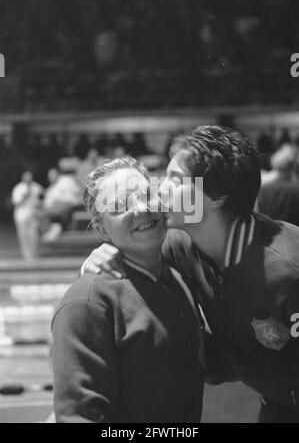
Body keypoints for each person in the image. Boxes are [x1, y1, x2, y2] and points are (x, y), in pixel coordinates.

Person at [83, 126, 299, 423]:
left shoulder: (288, 268)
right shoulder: (179, 244)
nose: (160, 189)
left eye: (176, 180)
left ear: (218, 196)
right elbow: (131, 247)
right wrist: (100, 258)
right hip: (274, 407)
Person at [52, 157, 205, 423]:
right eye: (120, 205)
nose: (141, 208)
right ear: (101, 228)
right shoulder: (88, 302)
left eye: (148, 195)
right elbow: (79, 416)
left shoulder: (176, 279)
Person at [258, 144, 299, 226]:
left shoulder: (263, 189)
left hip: (268, 233)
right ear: (293, 166)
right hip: (292, 234)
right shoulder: (295, 190)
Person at [11, 170, 43, 261]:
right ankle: (26, 254)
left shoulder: (37, 187)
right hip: (21, 214)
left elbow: (42, 200)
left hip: (33, 213)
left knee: (34, 234)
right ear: (23, 178)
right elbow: (15, 202)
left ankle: (33, 253)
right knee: (23, 235)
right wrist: (25, 196)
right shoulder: (18, 188)